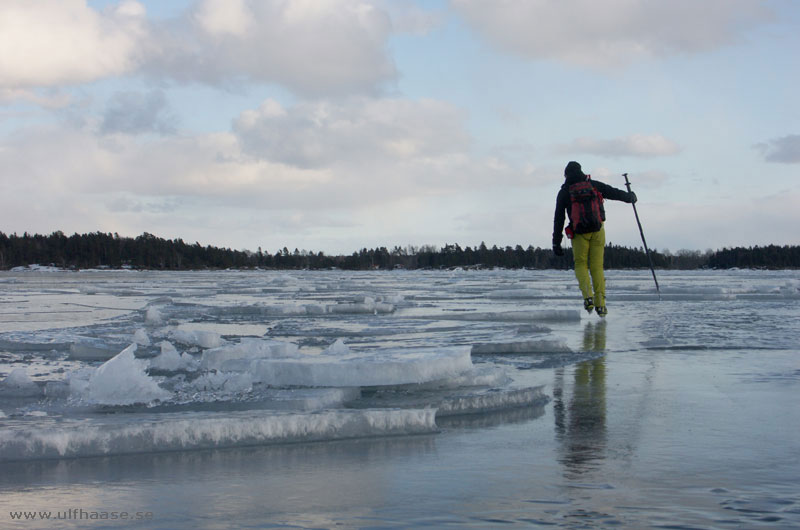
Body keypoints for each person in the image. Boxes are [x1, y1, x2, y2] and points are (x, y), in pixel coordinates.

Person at [552, 161, 636, 317]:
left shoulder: (564, 192)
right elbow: (612, 192)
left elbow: (558, 218)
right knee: (597, 267)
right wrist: (629, 197)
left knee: (581, 265)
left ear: (566, 175)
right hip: (598, 230)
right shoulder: (593, 185)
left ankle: (588, 298)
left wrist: (556, 241)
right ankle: (601, 305)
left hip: (579, 234)